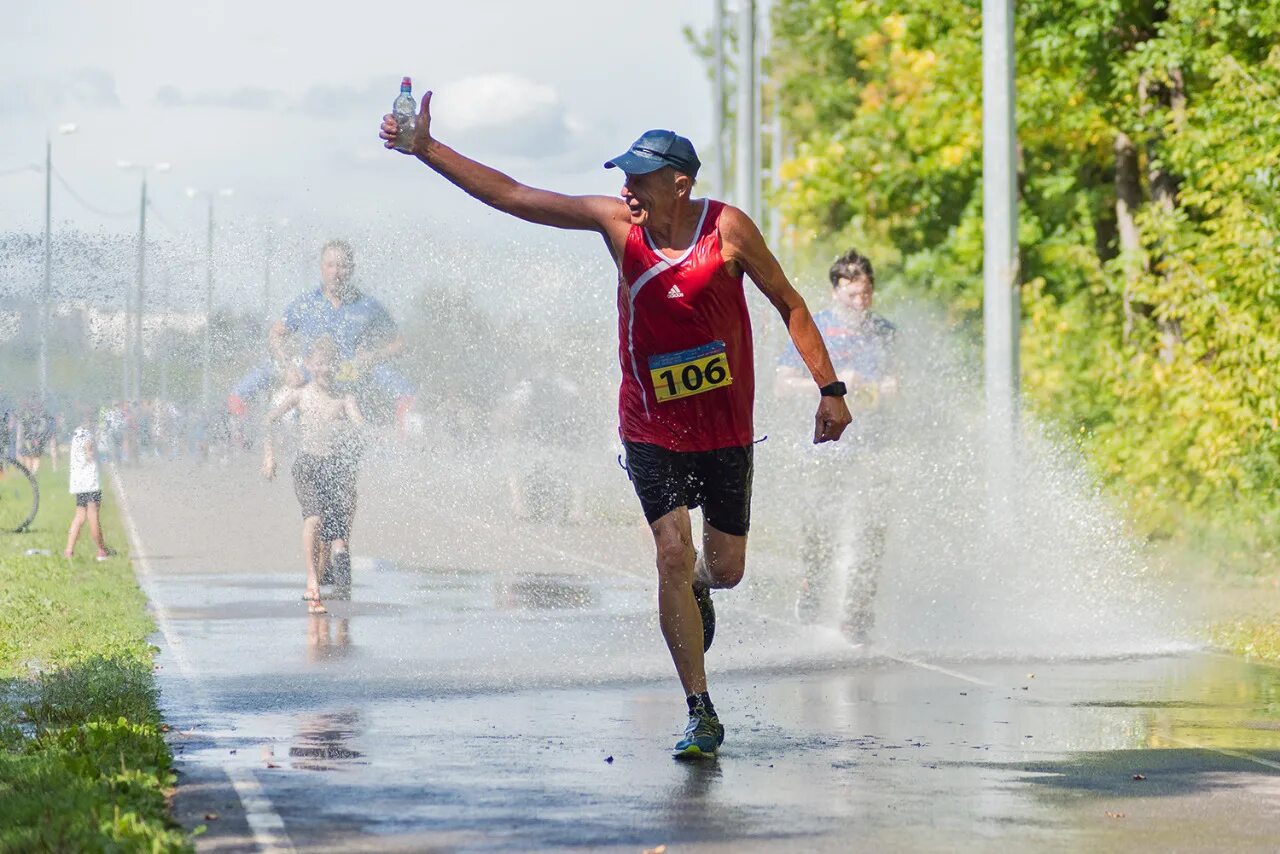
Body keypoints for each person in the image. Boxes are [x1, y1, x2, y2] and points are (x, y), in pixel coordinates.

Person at [380, 99, 853, 757]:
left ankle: (695, 587)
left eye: (639, 179)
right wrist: (426, 149)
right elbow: (518, 195)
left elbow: (791, 303)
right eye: (623, 178)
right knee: (668, 550)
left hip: (723, 430)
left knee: (725, 568)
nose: (625, 190)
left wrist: (830, 390)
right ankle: (700, 709)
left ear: (680, 185)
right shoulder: (615, 224)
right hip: (649, 425)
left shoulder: (730, 231)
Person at [776, 249, 897, 642]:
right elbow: (782, 384)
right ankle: (812, 590)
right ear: (835, 293)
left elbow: (898, 380)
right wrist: (833, 383)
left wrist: (890, 388)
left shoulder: (885, 331)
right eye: (852, 296)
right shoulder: (817, 328)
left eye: (866, 295)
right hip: (824, 449)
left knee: (871, 531)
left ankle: (858, 614)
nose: (860, 303)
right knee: (820, 533)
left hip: (872, 448)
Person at [228, 240, 415, 428]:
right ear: (321, 268)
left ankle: (405, 442)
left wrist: (372, 357)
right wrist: (287, 366)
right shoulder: (307, 303)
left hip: (349, 373)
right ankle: (243, 441)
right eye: (330, 265)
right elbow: (275, 334)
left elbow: (399, 343)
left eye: (342, 266)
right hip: (310, 373)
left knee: (397, 384)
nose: (336, 272)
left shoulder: (367, 306)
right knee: (255, 378)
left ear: (351, 269)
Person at [262, 337, 365, 614]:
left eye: (329, 363)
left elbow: (360, 425)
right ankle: (312, 580)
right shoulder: (301, 394)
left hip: (334, 468)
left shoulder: (345, 397)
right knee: (314, 519)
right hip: (307, 466)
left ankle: (325, 577)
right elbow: (269, 419)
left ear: (335, 366)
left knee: (332, 534)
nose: (324, 369)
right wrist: (269, 456)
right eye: (318, 363)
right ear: (309, 364)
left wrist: (359, 430)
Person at [64, 412, 112, 561]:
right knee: (93, 515)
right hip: (90, 481)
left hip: (79, 481)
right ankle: (101, 550)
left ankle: (69, 550)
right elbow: (90, 454)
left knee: (80, 515)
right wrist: (103, 458)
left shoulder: (76, 433)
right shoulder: (87, 435)